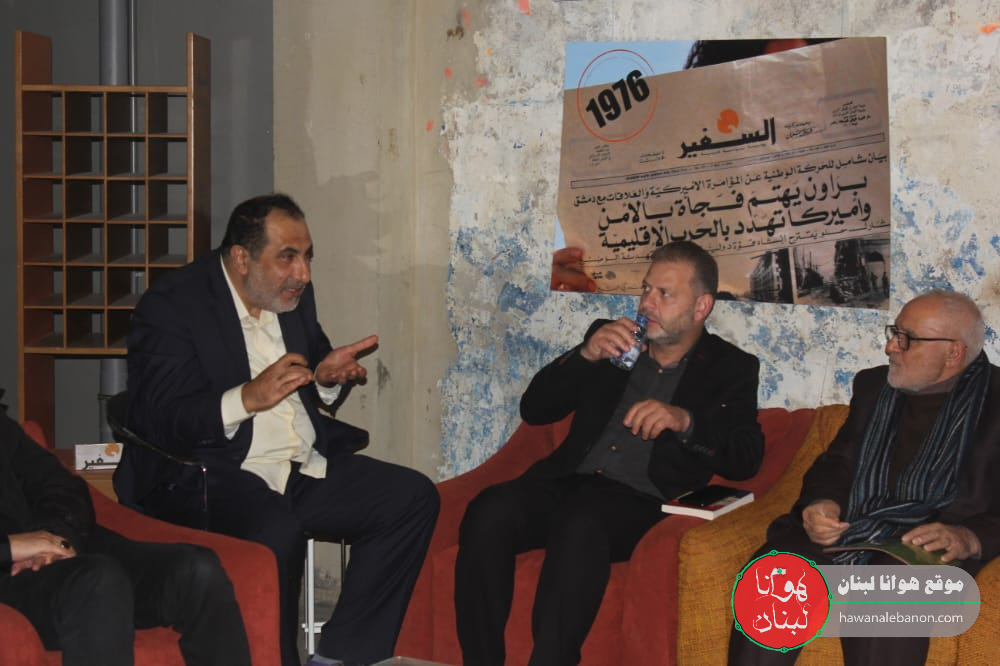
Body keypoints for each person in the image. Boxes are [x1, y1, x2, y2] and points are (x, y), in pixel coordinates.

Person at [116, 193, 440, 666]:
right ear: (241, 257)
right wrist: (246, 398)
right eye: (287, 257)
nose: (302, 273)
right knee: (277, 532)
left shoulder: (290, 296)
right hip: (210, 473)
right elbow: (161, 418)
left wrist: (326, 379)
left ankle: (340, 658)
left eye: (307, 256)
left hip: (296, 466)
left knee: (410, 498)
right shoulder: (171, 306)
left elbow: (313, 366)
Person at [456, 240, 764, 666]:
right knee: (488, 510)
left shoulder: (730, 368)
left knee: (582, 524)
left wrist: (684, 421)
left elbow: (746, 457)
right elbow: (536, 409)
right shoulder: (612, 339)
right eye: (646, 289)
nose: (647, 304)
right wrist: (585, 355)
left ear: (701, 306)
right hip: (568, 481)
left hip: (642, 500)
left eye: (664, 294)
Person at [728, 290, 1000, 665]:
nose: (890, 347)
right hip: (857, 523)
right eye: (894, 332)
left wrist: (969, 537)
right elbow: (837, 462)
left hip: (935, 539)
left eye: (906, 338)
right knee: (777, 572)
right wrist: (821, 503)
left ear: (953, 352)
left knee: (887, 589)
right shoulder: (874, 387)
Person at [0, 411, 250, 666]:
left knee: (197, 570)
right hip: (12, 579)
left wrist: (53, 538)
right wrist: (11, 547)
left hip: (60, 548)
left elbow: (61, 486)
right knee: (98, 580)